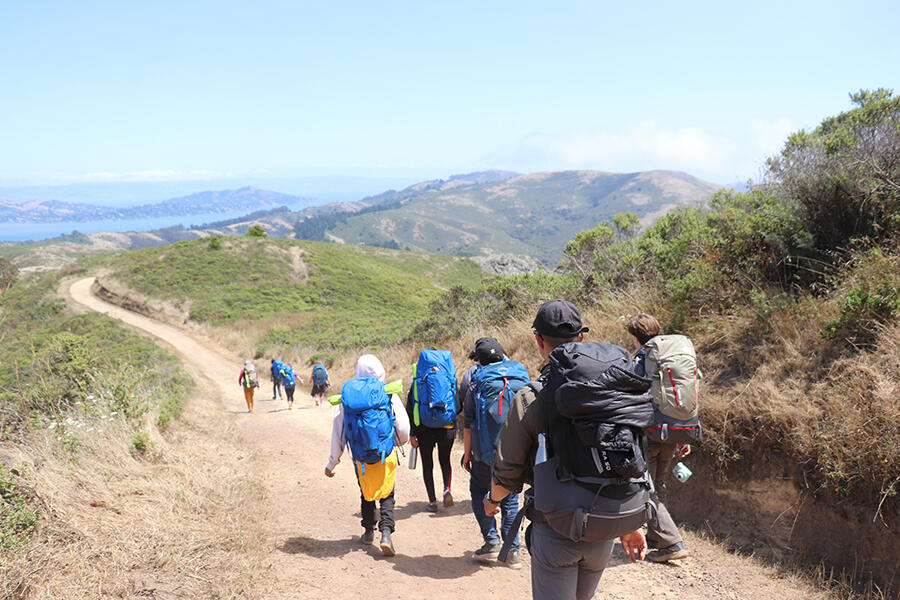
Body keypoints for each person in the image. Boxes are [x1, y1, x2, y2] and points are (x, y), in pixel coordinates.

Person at [485, 300, 649, 600]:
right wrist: (629, 524)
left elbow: (507, 470)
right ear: (581, 338)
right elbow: (631, 455)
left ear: (538, 340)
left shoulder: (532, 397)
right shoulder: (611, 389)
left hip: (557, 530)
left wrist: (491, 499)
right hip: (605, 528)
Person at [325, 354, 410, 556]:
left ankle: (368, 531)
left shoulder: (349, 396)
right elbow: (404, 428)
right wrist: (396, 442)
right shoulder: (387, 391)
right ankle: (386, 533)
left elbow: (339, 432)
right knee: (387, 493)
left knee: (367, 491)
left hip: (361, 456)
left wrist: (332, 463)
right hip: (385, 453)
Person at [626, 313, 691, 562]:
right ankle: (655, 536)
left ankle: (671, 542)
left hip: (652, 431)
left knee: (647, 488)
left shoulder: (644, 357)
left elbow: (634, 390)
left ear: (635, 337)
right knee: (659, 483)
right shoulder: (673, 355)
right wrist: (684, 433)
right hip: (675, 429)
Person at [461, 337, 528, 569]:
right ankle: (513, 552)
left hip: (485, 453)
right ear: (503, 355)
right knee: (510, 499)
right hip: (516, 452)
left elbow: (468, 425)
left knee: (479, 489)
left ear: (478, 360)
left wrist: (467, 454)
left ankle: (491, 542)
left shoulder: (475, 380)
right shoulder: (519, 375)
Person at [406, 349, 457, 512]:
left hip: (424, 428)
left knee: (427, 463)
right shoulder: (449, 377)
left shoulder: (418, 380)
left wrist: (412, 433)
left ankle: (432, 502)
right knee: (445, 460)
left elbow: (411, 407)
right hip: (446, 427)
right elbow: (458, 404)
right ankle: (447, 490)